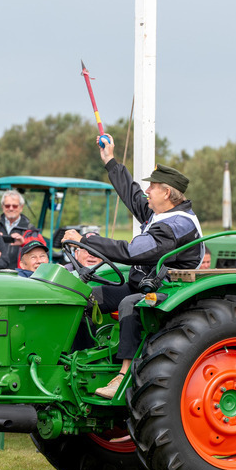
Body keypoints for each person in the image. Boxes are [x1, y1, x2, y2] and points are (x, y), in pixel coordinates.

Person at [61, 135, 202, 399]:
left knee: (130, 304)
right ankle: (80, 361)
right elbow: (132, 194)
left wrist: (86, 240)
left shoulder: (177, 224)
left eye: (153, 187)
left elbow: (134, 251)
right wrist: (110, 161)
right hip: (141, 284)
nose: (147, 191)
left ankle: (123, 374)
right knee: (85, 297)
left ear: (167, 193)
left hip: (168, 291)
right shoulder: (160, 214)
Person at [0, 189, 32, 267]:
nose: (11, 208)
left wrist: (23, 242)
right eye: (7, 206)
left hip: (19, 274)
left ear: (21, 207)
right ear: (3, 207)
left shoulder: (30, 228)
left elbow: (41, 248)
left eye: (15, 206)